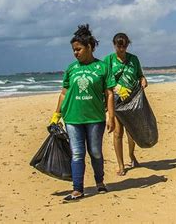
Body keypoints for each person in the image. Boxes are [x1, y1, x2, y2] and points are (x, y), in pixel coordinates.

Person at [49, 24, 115, 201]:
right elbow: (64, 93)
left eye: (78, 49)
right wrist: (57, 115)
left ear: (90, 47)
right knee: (77, 153)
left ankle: (99, 182)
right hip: (72, 117)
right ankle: (78, 189)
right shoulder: (71, 68)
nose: (75, 53)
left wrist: (111, 117)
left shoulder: (102, 67)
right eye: (73, 50)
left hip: (95, 118)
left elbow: (109, 93)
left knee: (95, 152)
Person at [104, 33, 148, 176]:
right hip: (115, 102)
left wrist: (143, 79)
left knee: (131, 132)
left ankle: (131, 155)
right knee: (118, 133)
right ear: (114, 45)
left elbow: (140, 74)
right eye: (119, 46)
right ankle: (121, 165)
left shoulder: (133, 59)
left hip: (132, 101)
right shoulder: (108, 60)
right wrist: (116, 88)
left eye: (124, 46)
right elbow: (104, 81)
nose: (122, 49)